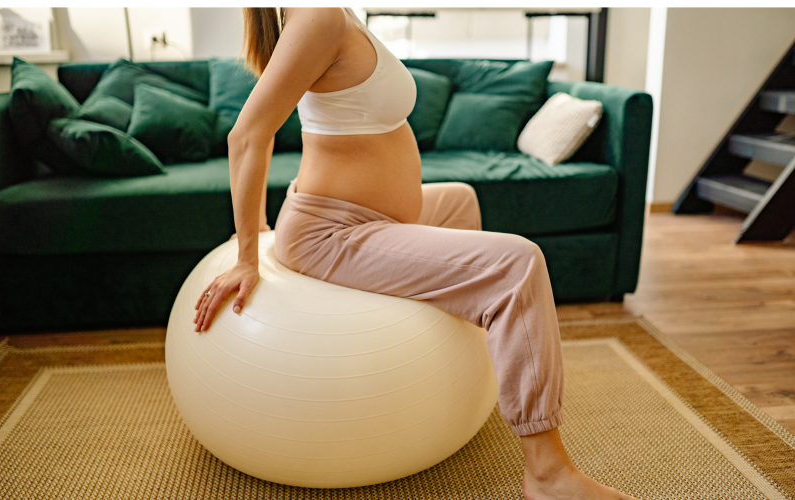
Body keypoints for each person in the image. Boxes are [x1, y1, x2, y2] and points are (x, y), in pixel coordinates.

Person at [193, 7, 637, 500]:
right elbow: (247, 135)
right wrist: (250, 251)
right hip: (333, 232)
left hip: (365, 217)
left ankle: (471, 379)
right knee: (518, 264)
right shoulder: (317, 16)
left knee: (462, 199)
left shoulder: (332, 12)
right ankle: (548, 473)